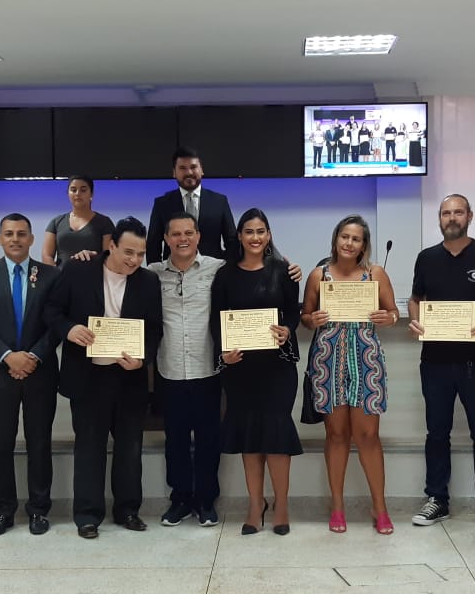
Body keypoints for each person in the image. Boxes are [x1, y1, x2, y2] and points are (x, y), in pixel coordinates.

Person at [47, 216, 163, 539]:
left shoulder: (148, 281)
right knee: (89, 447)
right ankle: (87, 515)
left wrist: (142, 360)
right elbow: (52, 312)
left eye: (140, 254)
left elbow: (154, 329)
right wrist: (69, 330)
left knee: (130, 448)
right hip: (88, 376)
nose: (134, 261)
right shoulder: (77, 270)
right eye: (128, 252)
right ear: (110, 245)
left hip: (130, 378)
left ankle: (128, 510)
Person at [408, 195, 475, 524]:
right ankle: (437, 498)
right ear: (439, 219)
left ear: (469, 216)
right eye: (446, 213)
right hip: (434, 361)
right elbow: (415, 299)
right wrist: (416, 320)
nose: (452, 218)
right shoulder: (426, 258)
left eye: (458, 212)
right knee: (436, 432)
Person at [301, 216, 400, 534]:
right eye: (344, 236)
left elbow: (394, 312)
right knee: (337, 435)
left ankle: (379, 508)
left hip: (366, 361)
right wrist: (311, 319)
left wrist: (388, 317)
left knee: (368, 436)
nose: (349, 243)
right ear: (335, 239)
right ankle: (338, 507)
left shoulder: (375, 274)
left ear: (364, 245)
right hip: (328, 362)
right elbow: (305, 316)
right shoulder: (319, 275)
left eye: (356, 239)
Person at [0, 213, 62, 537]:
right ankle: (3, 511)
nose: (15, 239)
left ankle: (38, 510)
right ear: (0, 238)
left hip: (40, 372)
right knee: (0, 444)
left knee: (39, 443)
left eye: (22, 233)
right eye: (8, 233)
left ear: (32, 239)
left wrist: (33, 356)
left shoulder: (49, 275)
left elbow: (56, 324)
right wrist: (9, 357)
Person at [210, 208, 302, 536]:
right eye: (249, 231)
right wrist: (224, 352)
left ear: (269, 235)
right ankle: (254, 504)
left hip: (277, 369)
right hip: (240, 369)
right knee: (250, 436)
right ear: (240, 236)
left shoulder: (284, 271)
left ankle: (282, 505)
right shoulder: (225, 275)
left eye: (261, 231)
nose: (255, 237)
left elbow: (293, 312)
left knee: (276, 436)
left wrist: (287, 330)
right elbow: (216, 320)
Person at [150, 213, 226, 528]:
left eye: (189, 233)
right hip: (169, 370)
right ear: (166, 239)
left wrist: (289, 265)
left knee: (209, 438)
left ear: (198, 235)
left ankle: (206, 500)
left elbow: (259, 260)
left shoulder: (218, 268)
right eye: (176, 234)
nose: (183, 239)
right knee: (176, 440)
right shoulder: (151, 273)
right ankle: (180, 499)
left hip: (208, 367)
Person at [147, 147, 237, 263]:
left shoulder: (220, 201)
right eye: (182, 168)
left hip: (212, 274)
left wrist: (226, 270)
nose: (189, 172)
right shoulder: (162, 204)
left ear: (202, 170)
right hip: (173, 275)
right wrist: (157, 275)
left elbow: (232, 242)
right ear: (174, 172)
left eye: (193, 167)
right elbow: (153, 246)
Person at [41, 175, 114, 269]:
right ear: (68, 194)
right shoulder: (56, 222)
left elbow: (109, 256)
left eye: (83, 190)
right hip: (61, 279)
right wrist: (55, 275)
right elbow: (46, 255)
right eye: (73, 190)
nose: (77, 193)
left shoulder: (104, 222)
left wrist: (94, 257)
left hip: (93, 278)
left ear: (91, 194)